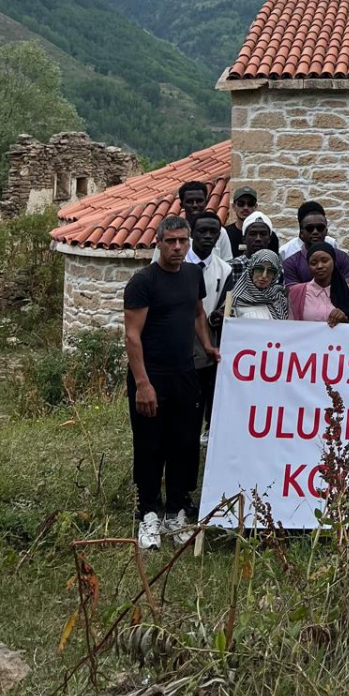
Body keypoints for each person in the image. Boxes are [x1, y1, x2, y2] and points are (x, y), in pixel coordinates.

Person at [123, 215, 218, 551]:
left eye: (183, 241)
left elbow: (196, 313)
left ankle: (176, 511)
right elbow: (132, 336)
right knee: (150, 445)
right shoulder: (143, 281)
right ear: (159, 242)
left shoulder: (193, 275)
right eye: (171, 241)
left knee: (185, 444)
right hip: (151, 375)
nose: (178, 247)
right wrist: (143, 384)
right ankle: (148, 512)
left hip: (185, 373)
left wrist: (206, 345)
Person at [187, 211, 230, 448]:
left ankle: (201, 434)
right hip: (178, 336)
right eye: (202, 231)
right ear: (192, 233)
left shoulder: (224, 270)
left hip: (206, 339)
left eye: (213, 232)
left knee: (203, 390)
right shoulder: (178, 262)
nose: (208, 236)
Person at [151, 180, 232, 264]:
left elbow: (228, 264)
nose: (195, 205)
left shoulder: (220, 232)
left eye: (199, 201)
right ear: (181, 205)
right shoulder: (169, 233)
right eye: (189, 202)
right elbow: (155, 267)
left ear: (206, 202)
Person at [289, 240, 349, 325]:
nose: (319, 266)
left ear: (334, 261)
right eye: (313, 263)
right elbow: (291, 326)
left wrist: (344, 320)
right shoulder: (297, 292)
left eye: (325, 261)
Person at [281, 207, 349, 288]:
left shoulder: (342, 258)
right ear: (301, 233)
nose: (315, 232)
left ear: (326, 231)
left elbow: (347, 292)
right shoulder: (291, 263)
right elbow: (294, 296)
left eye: (320, 228)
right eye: (310, 228)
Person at [224, 250, 291, 321]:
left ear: (275, 275)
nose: (264, 275)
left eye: (270, 271)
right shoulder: (235, 300)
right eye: (259, 269)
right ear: (251, 270)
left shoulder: (279, 298)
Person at [225, 186, 279, 257]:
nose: (245, 208)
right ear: (233, 206)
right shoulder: (225, 234)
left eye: (250, 204)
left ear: (255, 206)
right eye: (241, 204)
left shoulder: (270, 236)